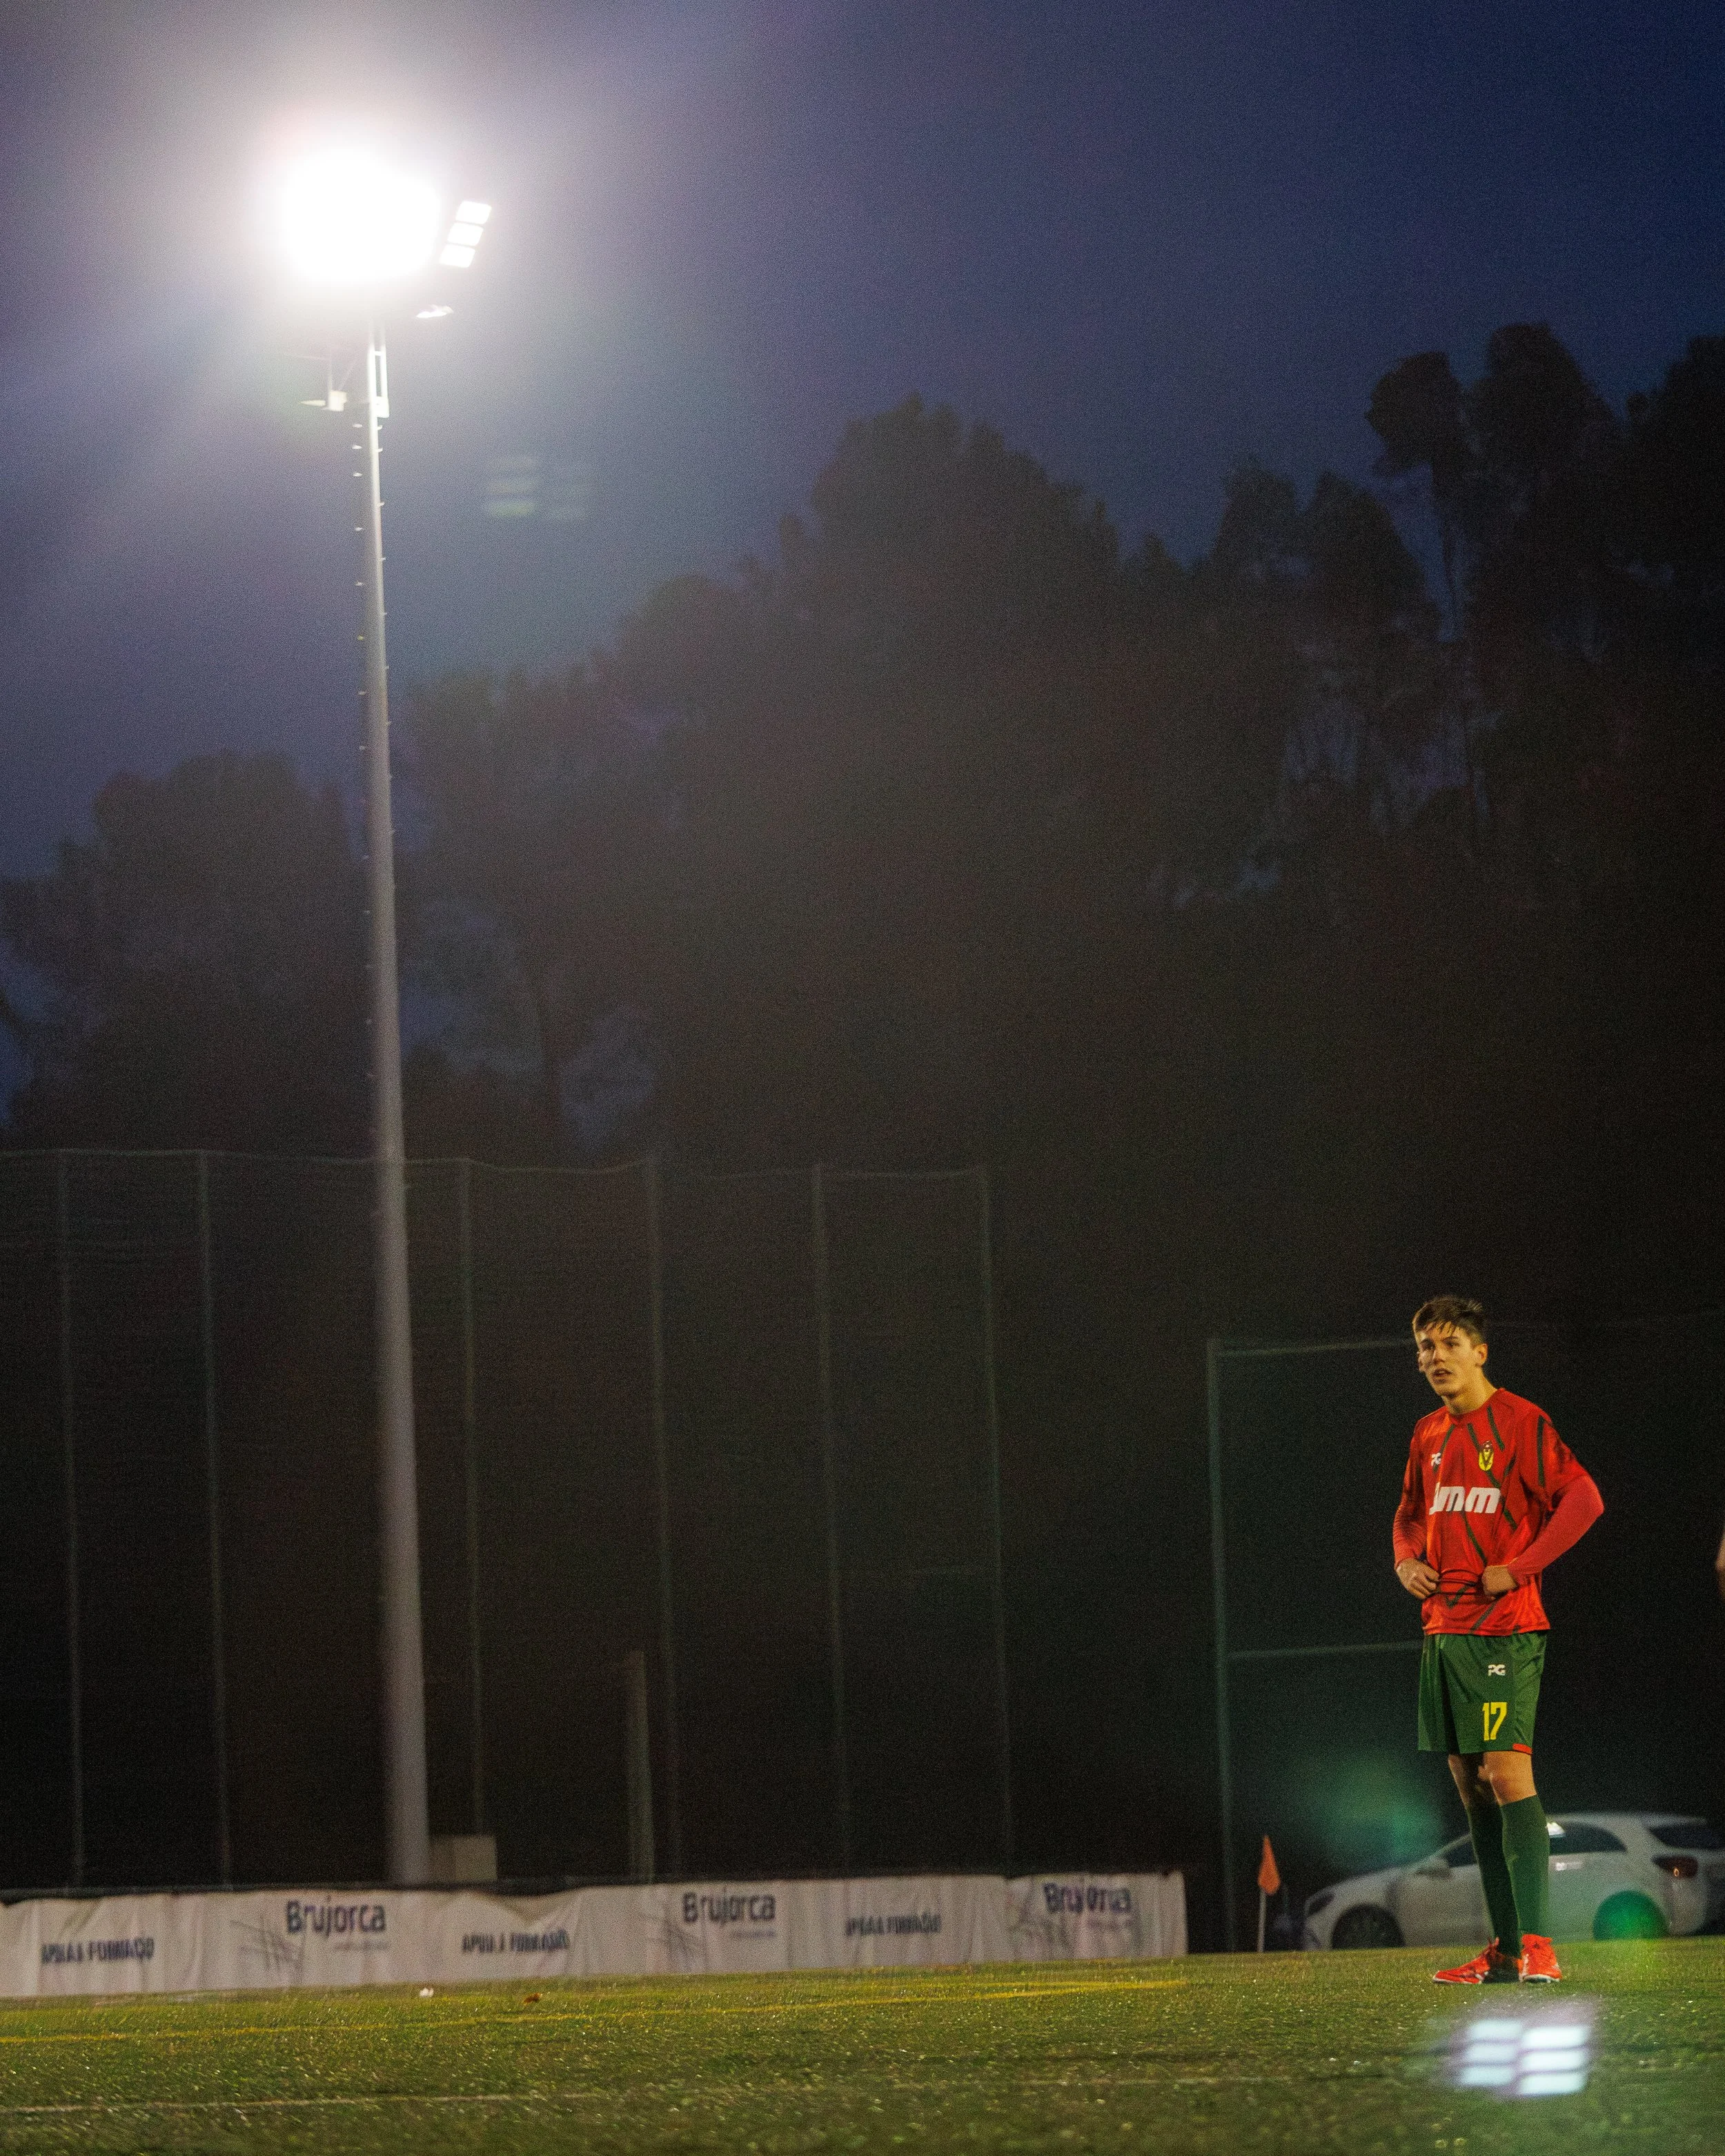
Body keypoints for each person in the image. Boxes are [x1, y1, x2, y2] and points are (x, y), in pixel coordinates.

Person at [1392, 1296, 1604, 1985]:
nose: (1434, 1357)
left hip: (1504, 1628)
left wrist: (1518, 1566)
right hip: (1442, 1631)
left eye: (1448, 1343)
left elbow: (1584, 1498)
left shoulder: (1520, 1421)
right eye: (1425, 1345)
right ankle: (1506, 1948)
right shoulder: (1426, 1433)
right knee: (1470, 1786)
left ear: (1479, 1351)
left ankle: (1540, 1943)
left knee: (1507, 1772)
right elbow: (1408, 1516)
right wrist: (1405, 1559)